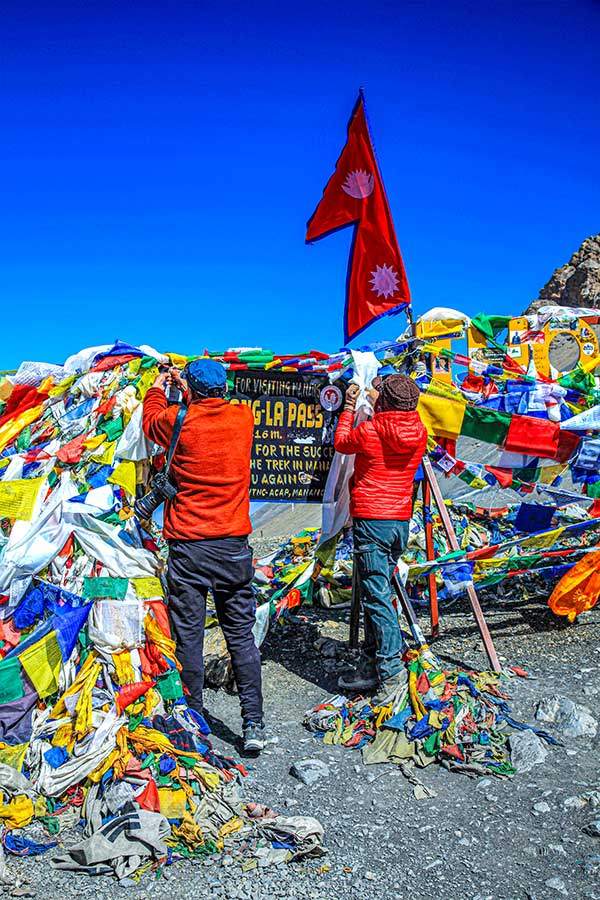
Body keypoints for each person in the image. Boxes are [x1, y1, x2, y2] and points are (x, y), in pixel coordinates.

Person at [142, 359, 265, 752]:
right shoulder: (243, 419)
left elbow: (150, 419)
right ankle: (253, 724)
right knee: (241, 638)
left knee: (189, 638)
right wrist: (193, 384)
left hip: (188, 546)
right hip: (233, 546)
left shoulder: (178, 421)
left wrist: (161, 385)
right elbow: (219, 401)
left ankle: (194, 721)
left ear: (191, 389)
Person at [334, 374, 427, 705]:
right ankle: (375, 664)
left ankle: (390, 674)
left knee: (376, 596)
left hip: (372, 518)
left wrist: (348, 406)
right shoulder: (419, 431)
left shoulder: (371, 429)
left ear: (385, 401)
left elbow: (342, 442)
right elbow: (394, 425)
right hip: (400, 519)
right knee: (380, 590)